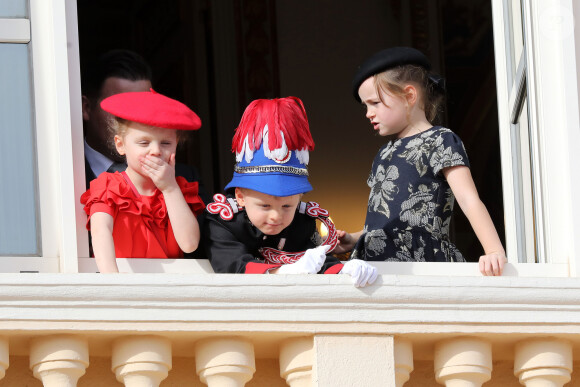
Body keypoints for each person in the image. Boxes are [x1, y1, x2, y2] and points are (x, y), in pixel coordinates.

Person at [337, 47, 507, 276]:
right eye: (365, 106)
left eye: (375, 103)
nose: (368, 113)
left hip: (421, 260)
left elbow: (468, 199)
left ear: (409, 96)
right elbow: (383, 224)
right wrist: (354, 238)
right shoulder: (384, 153)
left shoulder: (440, 140)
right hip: (378, 264)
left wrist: (493, 250)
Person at [203, 97, 377, 287]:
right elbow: (233, 265)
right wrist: (282, 272)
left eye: (287, 205)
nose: (276, 216)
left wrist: (343, 269)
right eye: (265, 205)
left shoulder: (303, 222)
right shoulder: (221, 222)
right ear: (240, 197)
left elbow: (314, 259)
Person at [80, 90, 205, 273]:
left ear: (176, 144)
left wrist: (170, 189)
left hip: (170, 288)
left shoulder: (180, 189)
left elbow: (189, 244)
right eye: (144, 143)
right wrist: (113, 283)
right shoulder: (108, 186)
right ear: (120, 144)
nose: (155, 151)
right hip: (123, 287)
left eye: (165, 143)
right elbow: (100, 232)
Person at [81, 49, 209, 202]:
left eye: (144, 106)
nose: (135, 117)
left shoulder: (184, 179)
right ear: (86, 108)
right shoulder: (60, 176)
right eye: (120, 107)